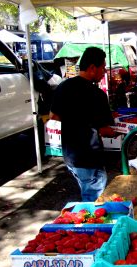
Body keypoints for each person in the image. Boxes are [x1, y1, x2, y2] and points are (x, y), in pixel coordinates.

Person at [50, 47, 116, 202]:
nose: (105, 71)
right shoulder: (97, 95)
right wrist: (122, 131)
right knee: (94, 201)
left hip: (71, 156)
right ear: (92, 68)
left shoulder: (63, 87)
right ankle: (89, 225)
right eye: (103, 67)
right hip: (90, 158)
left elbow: (54, 118)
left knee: (86, 191)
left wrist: (73, 124)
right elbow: (105, 131)